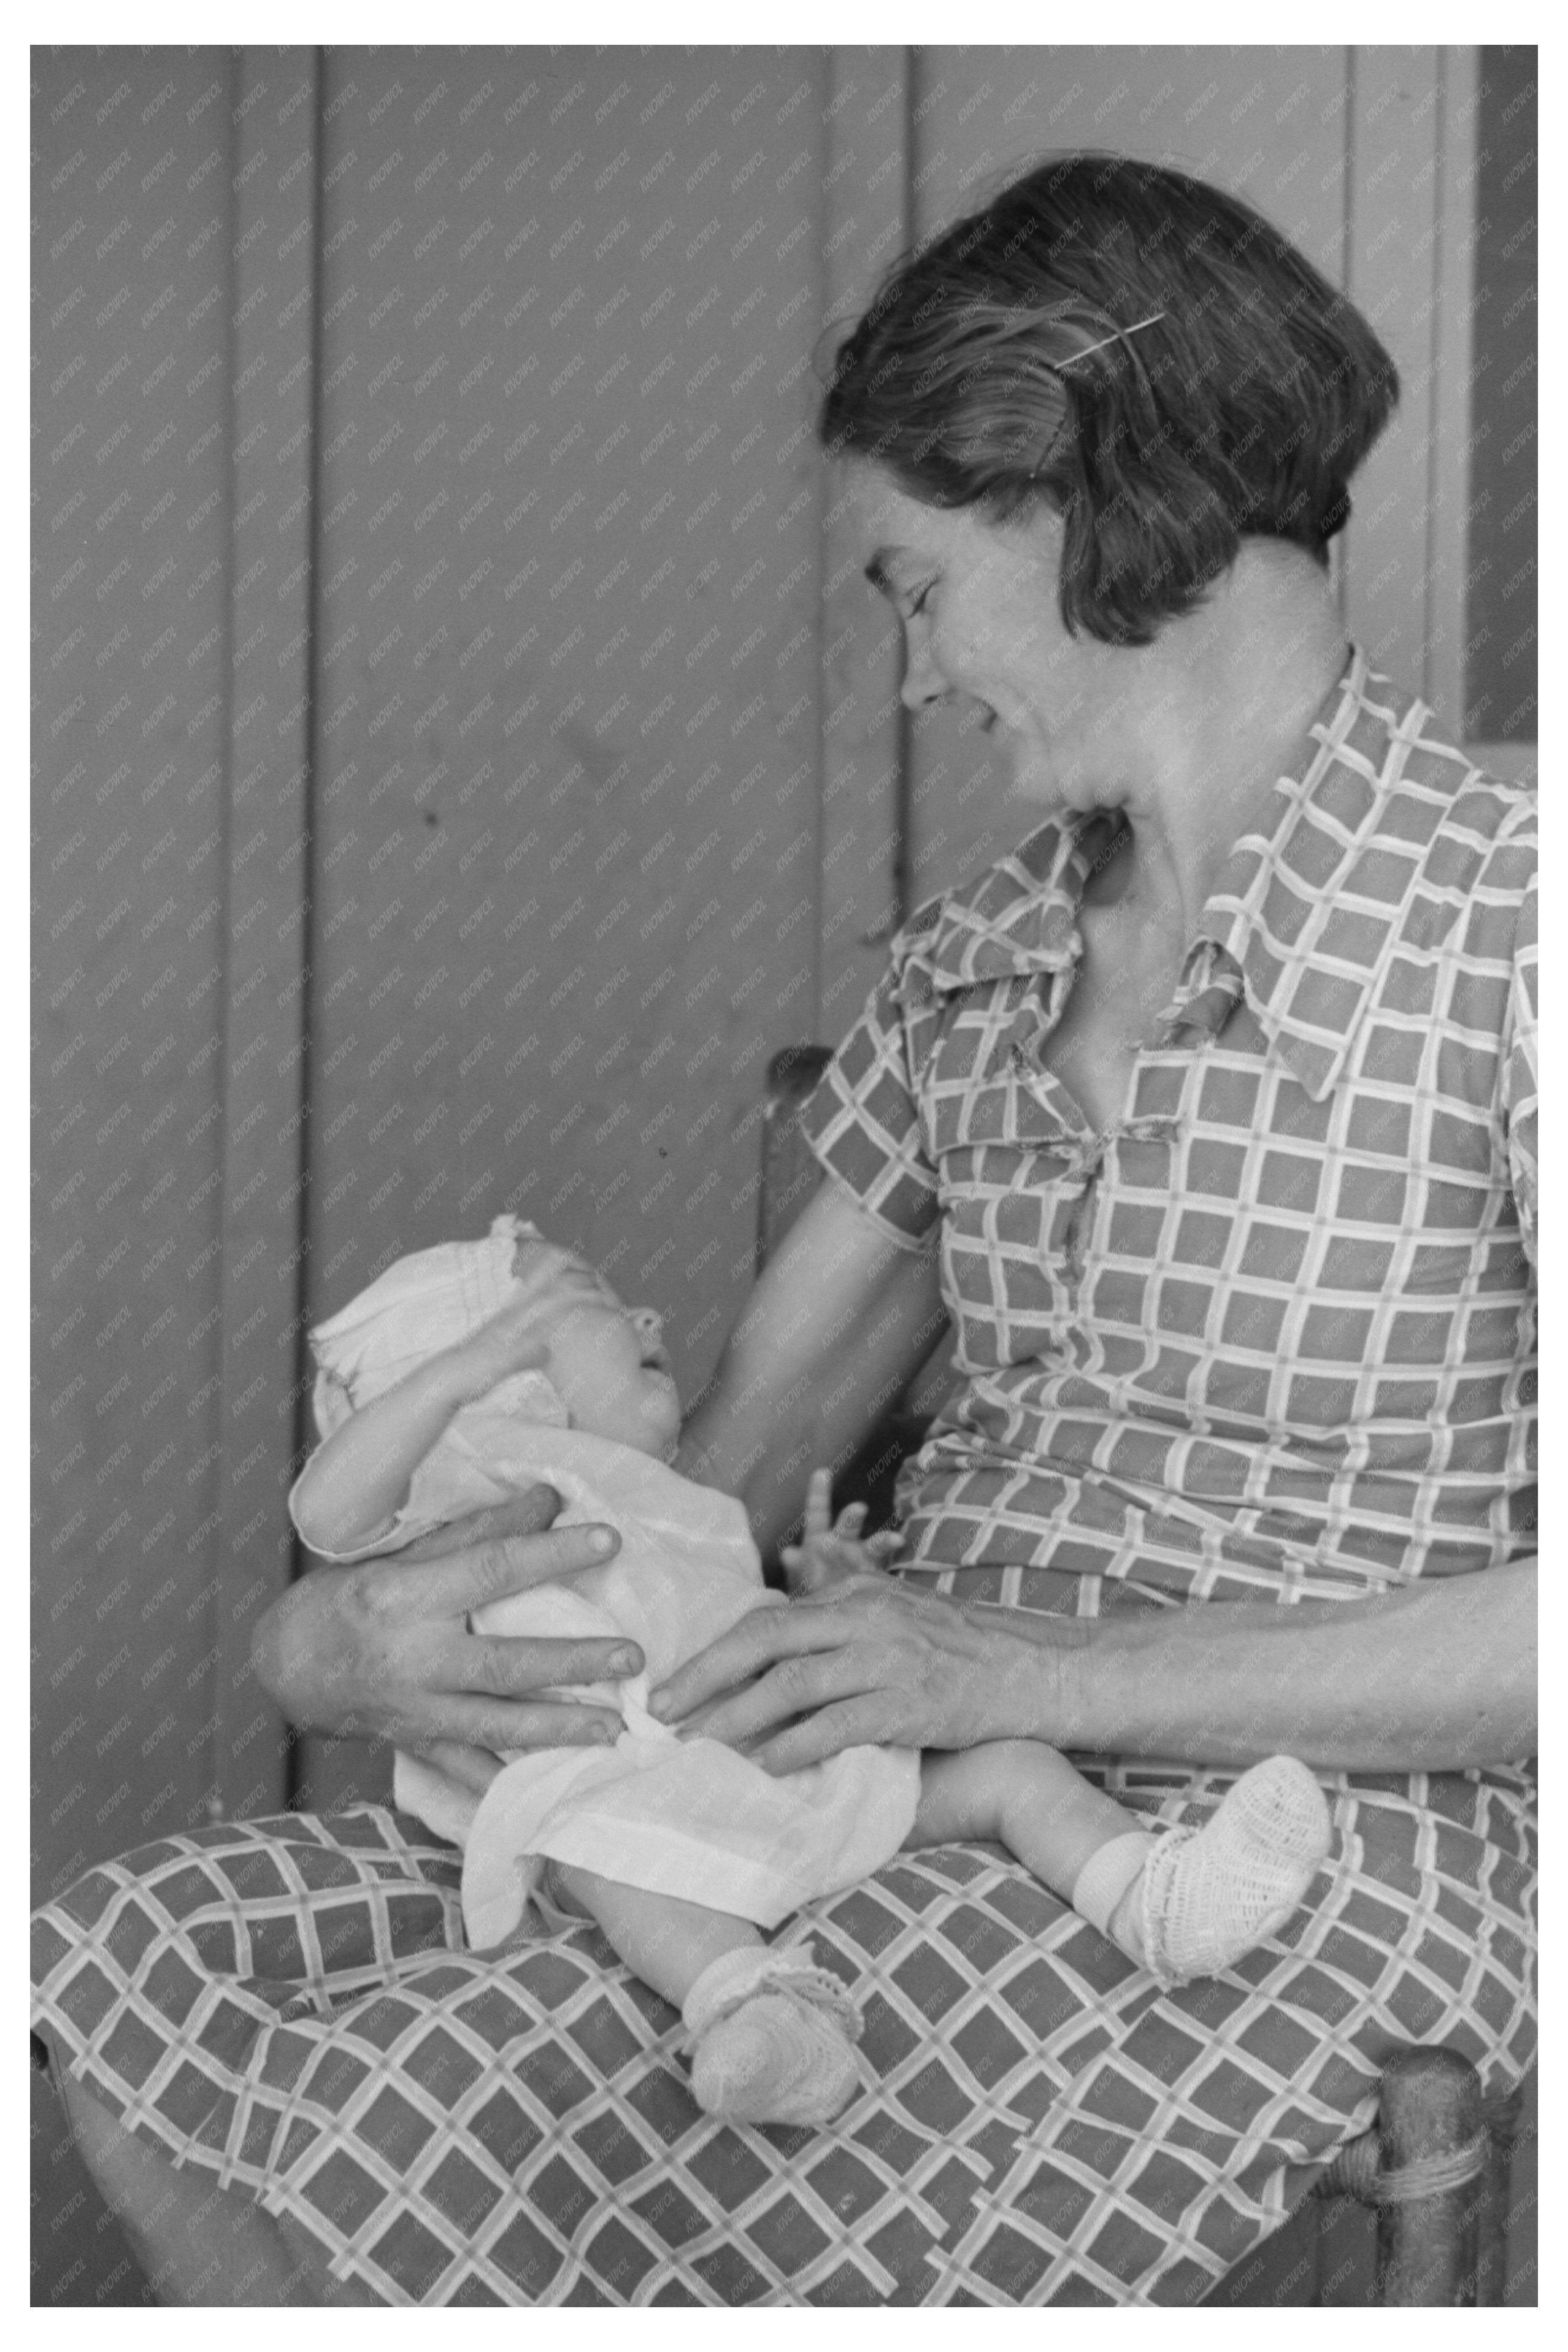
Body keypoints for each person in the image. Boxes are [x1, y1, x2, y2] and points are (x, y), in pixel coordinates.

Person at [33, 153, 1535, 2306]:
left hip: (1300, 1841)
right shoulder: (971, 968)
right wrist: (328, 1639)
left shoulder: (1512, 922)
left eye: (917, 588)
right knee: (148, 1974)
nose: (912, 677)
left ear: (1091, 503)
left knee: (600, 2138)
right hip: (872, 1771)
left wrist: (1017, 1670)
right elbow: (709, 1495)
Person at [288, 1215, 1331, 2126]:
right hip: (625, 1792)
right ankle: (754, 2011)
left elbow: (716, 1621)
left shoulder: (651, 1497)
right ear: (499, 1367)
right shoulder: (480, 1470)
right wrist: (467, 1369)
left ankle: (1157, 1897)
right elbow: (327, 1512)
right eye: (594, 1300)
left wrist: (825, 1594)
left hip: (780, 1762)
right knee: (610, 1864)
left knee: (1011, 1767)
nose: (648, 1316)